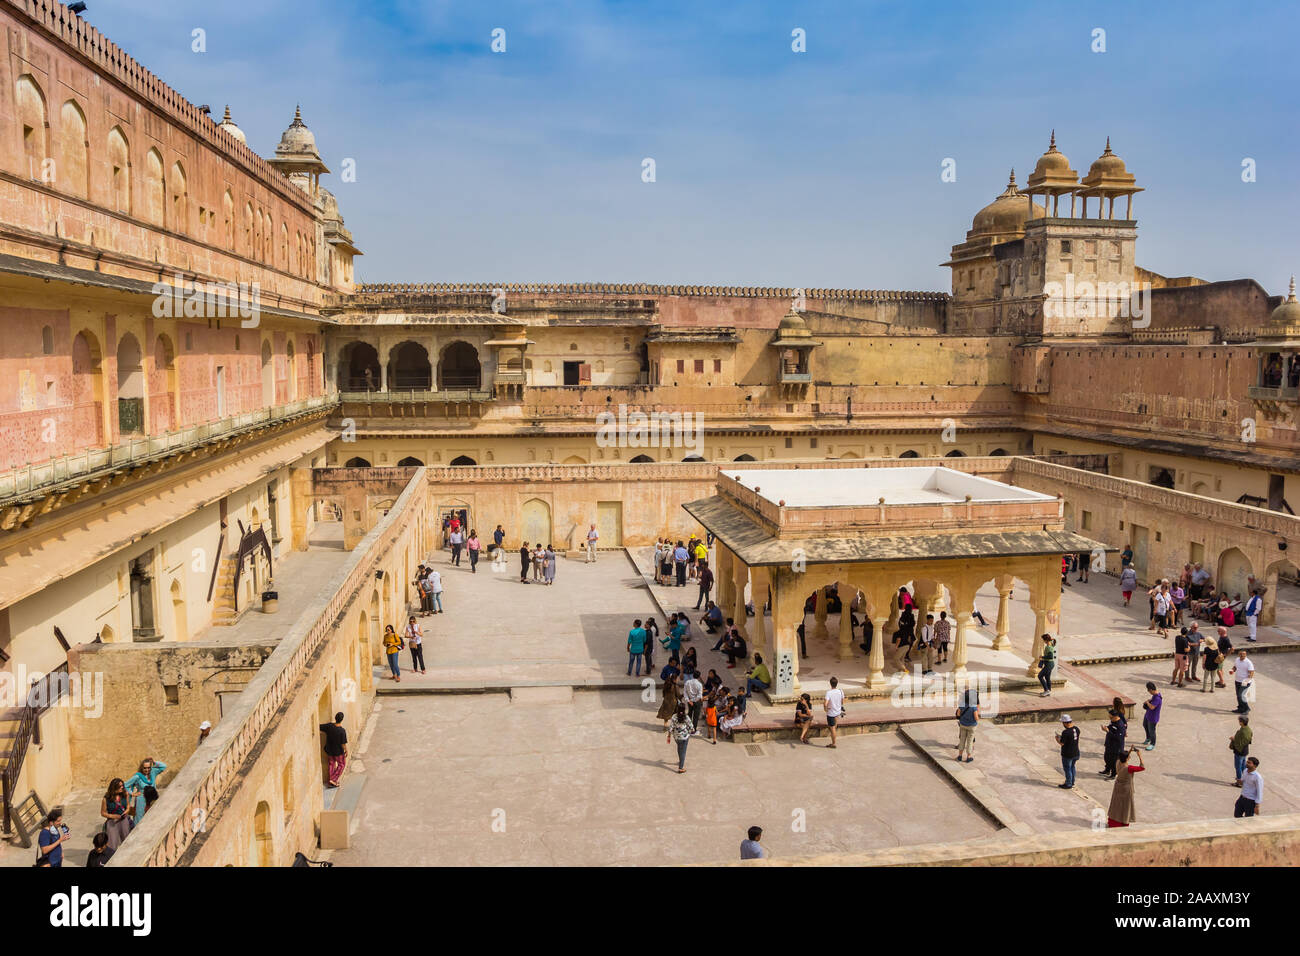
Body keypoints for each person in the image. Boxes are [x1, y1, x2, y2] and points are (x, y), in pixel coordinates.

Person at [1106, 748, 1145, 827]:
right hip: (1126, 789)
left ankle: (1113, 821)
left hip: (1117, 787)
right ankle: (1123, 821)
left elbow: (1123, 758)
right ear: (1127, 758)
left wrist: (1130, 750)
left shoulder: (1118, 762)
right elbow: (1142, 767)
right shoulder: (1129, 768)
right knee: (1125, 806)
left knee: (1116, 804)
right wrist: (1140, 756)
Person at [125, 757, 167, 825]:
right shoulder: (137, 776)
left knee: (152, 818)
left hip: (153, 799)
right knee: (139, 819)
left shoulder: (153, 772)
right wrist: (132, 794)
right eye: (145, 768)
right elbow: (125, 785)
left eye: (149, 767)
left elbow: (164, 766)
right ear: (141, 767)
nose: (147, 770)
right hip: (142, 800)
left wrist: (154, 762)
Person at [101, 777, 133, 849]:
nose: (122, 788)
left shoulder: (125, 794)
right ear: (114, 787)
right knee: (112, 843)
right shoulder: (106, 799)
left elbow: (128, 806)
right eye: (119, 786)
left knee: (126, 841)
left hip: (123, 820)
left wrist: (126, 811)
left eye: (122, 786)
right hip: (112, 822)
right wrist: (113, 816)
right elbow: (103, 813)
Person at [319, 711, 348, 787]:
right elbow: (343, 744)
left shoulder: (329, 726)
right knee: (342, 764)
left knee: (331, 764)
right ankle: (333, 779)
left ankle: (331, 781)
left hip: (329, 750)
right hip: (338, 752)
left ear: (335, 718)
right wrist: (346, 750)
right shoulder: (342, 731)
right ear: (342, 720)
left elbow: (319, 726)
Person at [1100, 706, 1127, 778]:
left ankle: (1113, 773)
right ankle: (1107, 770)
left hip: (1116, 747)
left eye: (1111, 717)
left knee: (1113, 761)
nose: (1110, 718)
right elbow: (1110, 727)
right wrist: (1106, 728)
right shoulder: (1113, 721)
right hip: (1109, 744)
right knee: (1107, 758)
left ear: (1115, 716)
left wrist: (1108, 732)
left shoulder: (1120, 725)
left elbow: (1118, 737)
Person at [666, 702, 694, 773]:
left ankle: (680, 761)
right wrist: (690, 732)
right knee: (683, 752)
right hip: (684, 737)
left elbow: (671, 727)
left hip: (676, 737)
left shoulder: (674, 716)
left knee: (679, 749)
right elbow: (691, 727)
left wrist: (669, 736)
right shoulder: (686, 717)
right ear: (684, 709)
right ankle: (681, 768)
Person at [1056, 714, 1081, 789]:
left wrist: (1057, 739)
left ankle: (1068, 783)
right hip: (1076, 752)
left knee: (1067, 769)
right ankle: (1072, 781)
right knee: (1072, 767)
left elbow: (1062, 743)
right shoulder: (1076, 729)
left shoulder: (1065, 732)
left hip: (1068, 754)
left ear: (1065, 723)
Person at [1230, 650, 1255, 714]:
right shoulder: (1237, 660)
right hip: (1237, 680)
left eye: (1243, 654)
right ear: (1238, 654)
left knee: (1241, 695)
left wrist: (1246, 681)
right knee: (1238, 695)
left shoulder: (1248, 662)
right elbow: (1235, 667)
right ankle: (1240, 708)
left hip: (1245, 682)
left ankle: (1247, 708)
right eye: (1240, 654)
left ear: (1246, 655)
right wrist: (1232, 670)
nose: (1242, 655)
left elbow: (1251, 673)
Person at [955, 693, 978, 763]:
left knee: (962, 740)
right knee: (970, 741)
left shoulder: (962, 704)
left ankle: (960, 756)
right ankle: (968, 757)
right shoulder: (974, 707)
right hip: (971, 726)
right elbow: (976, 718)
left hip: (963, 724)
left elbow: (958, 714)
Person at [1230, 716, 1252, 787]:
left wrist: (1233, 739)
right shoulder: (1248, 729)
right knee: (1243, 766)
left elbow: (1239, 742)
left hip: (1239, 751)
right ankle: (1245, 780)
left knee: (1238, 767)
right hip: (1245, 750)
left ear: (1242, 722)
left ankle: (1239, 781)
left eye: (1239, 721)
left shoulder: (1242, 731)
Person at [823, 676, 845, 749]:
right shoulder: (840, 691)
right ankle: (834, 735)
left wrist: (825, 709)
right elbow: (842, 701)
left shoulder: (828, 693)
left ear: (830, 684)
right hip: (837, 711)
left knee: (832, 729)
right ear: (837, 683)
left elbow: (825, 703)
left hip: (831, 713)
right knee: (834, 726)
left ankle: (833, 743)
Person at [1140, 682, 1161, 751]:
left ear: (1151, 689)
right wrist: (1150, 700)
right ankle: (1148, 738)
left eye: (1148, 690)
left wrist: (1147, 703)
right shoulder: (1154, 696)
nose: (1148, 692)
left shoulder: (1157, 698)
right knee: (1144, 725)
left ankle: (1152, 743)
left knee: (1152, 730)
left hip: (1153, 717)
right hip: (1148, 715)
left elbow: (1152, 707)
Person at [683, 669, 704, 735]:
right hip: (697, 702)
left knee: (689, 714)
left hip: (690, 701)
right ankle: (693, 729)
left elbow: (685, 693)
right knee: (696, 716)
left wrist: (689, 701)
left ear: (693, 675)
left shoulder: (687, 682)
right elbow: (699, 695)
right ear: (699, 676)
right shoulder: (699, 684)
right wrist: (694, 700)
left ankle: (688, 728)